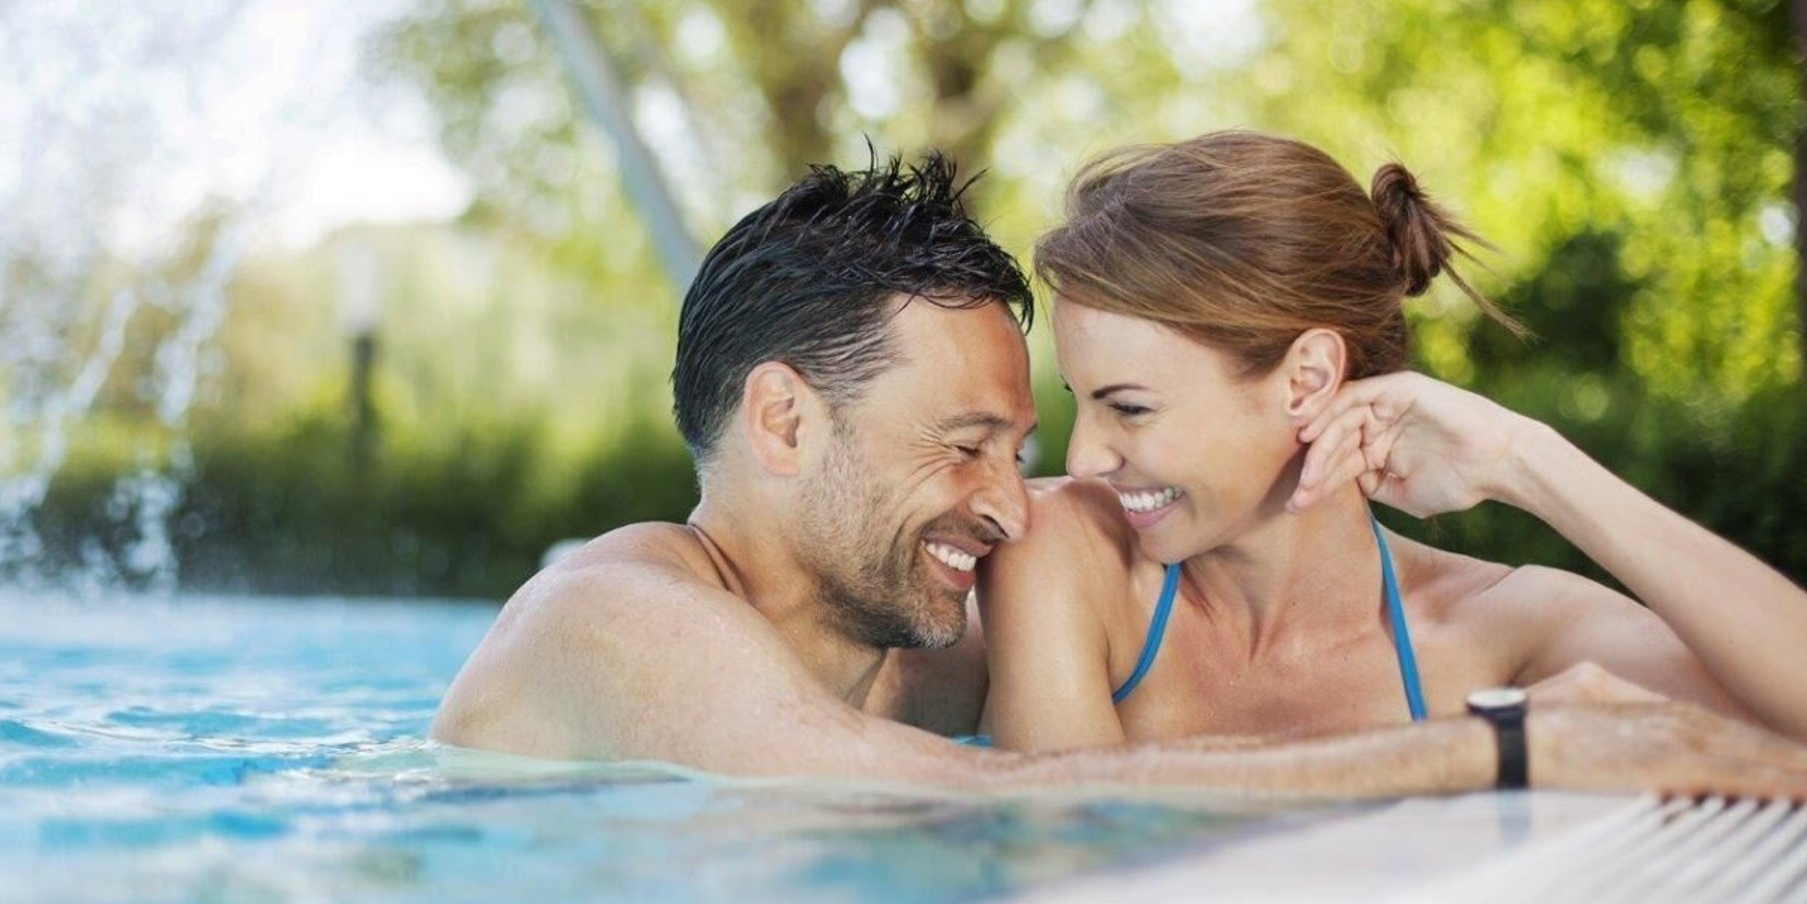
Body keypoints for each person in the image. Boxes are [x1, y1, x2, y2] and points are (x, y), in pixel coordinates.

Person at [432, 152, 1807, 799]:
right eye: (970, 443)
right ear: (782, 422)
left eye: (1030, 440)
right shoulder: (604, 620)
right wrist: (1508, 748)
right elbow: (1010, 799)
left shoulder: (934, 629)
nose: (1027, 491)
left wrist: (1530, 461)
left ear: (1313, 381)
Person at [980, 130, 1807, 755]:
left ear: (1306, 381)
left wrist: (1525, 459)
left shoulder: (1492, 634)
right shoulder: (1069, 556)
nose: (1082, 457)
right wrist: (1452, 761)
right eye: (1079, 402)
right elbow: (1055, 861)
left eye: (1128, 408)